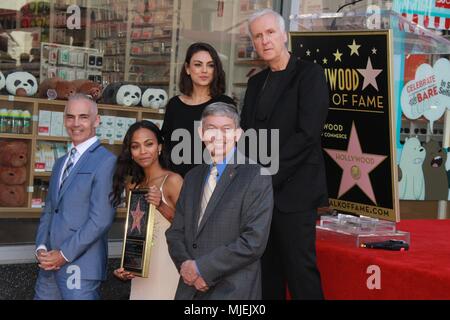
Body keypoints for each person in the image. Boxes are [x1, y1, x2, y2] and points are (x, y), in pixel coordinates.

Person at [241, 8, 329, 300]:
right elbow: (247, 135)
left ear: (284, 35)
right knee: (266, 276)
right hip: (260, 198)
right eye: (258, 36)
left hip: (295, 196)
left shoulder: (310, 75)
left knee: (301, 274)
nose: (264, 40)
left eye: (270, 33)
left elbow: (307, 136)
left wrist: (266, 175)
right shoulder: (255, 83)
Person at [166, 102, 273, 300]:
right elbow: (175, 232)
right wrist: (188, 268)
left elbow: (253, 241)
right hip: (189, 289)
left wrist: (203, 269)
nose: (219, 136)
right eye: (211, 129)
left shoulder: (257, 175)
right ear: (201, 133)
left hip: (232, 291)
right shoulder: (192, 177)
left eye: (226, 129)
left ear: (238, 134)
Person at [34, 94, 116, 300]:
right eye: (70, 117)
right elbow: (50, 209)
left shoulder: (106, 162)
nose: (76, 123)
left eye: (83, 117)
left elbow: (101, 219)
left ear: (96, 121)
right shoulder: (61, 162)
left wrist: (62, 255)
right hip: (49, 265)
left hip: (81, 266)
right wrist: (42, 247)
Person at [111, 120, 183, 300]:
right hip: (141, 273)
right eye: (136, 146)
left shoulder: (173, 180)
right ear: (131, 153)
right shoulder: (133, 186)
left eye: (149, 144)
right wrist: (127, 265)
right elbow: (136, 233)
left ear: (159, 146)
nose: (143, 151)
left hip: (168, 267)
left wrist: (161, 205)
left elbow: (189, 228)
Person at [162, 42, 235, 177]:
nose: (204, 70)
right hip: (178, 184)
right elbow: (167, 149)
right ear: (187, 68)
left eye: (210, 65)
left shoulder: (225, 104)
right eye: (198, 64)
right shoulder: (174, 105)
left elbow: (232, 151)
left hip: (213, 181)